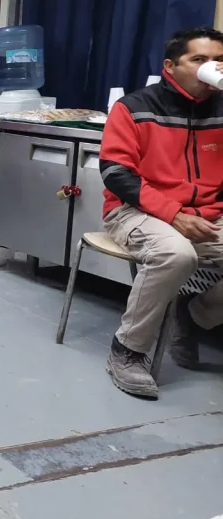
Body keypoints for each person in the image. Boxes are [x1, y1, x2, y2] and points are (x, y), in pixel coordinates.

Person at [99, 28, 223, 399]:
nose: (211, 67)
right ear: (170, 66)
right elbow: (116, 172)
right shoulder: (135, 107)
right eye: (199, 60)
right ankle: (128, 350)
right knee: (176, 254)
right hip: (135, 210)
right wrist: (173, 214)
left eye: (219, 61)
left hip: (208, 213)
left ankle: (194, 315)